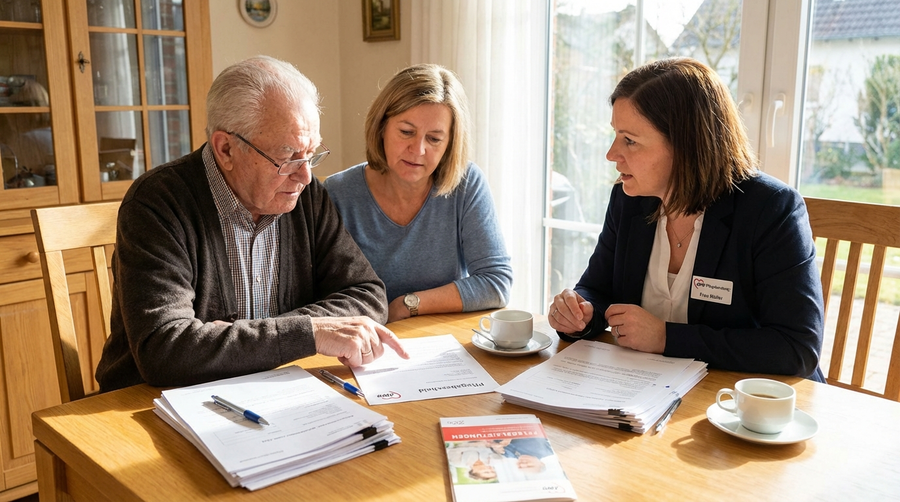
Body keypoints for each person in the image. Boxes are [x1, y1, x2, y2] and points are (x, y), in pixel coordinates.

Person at [96, 56, 408, 392]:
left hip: (267, 388)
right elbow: (167, 351)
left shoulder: (306, 194)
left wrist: (249, 338)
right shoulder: (157, 202)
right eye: (287, 157)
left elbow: (367, 294)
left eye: (312, 154)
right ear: (226, 148)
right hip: (149, 405)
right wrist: (308, 333)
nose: (305, 175)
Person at [548, 58, 825, 382]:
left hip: (747, 406)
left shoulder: (771, 209)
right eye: (615, 135)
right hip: (645, 390)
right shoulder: (629, 200)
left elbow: (796, 348)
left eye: (630, 140)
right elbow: (598, 288)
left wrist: (666, 337)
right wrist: (581, 313)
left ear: (686, 145)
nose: (612, 153)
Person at [324, 64, 512, 323]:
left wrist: (407, 304)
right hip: (362, 344)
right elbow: (322, 296)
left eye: (434, 139)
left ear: (449, 144)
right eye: (406, 132)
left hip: (440, 342)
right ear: (382, 127)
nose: (418, 149)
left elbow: (496, 282)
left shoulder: (466, 184)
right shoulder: (337, 194)